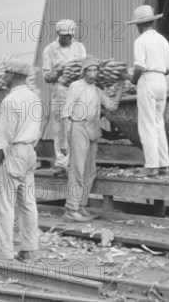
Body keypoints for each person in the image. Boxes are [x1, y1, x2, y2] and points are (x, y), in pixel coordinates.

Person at [0, 58, 43, 261]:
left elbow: (3, 138)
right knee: (28, 203)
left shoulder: (10, 101)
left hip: (15, 152)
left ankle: (3, 252)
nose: (3, 77)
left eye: (4, 74)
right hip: (29, 152)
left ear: (11, 75)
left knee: (6, 205)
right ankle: (29, 249)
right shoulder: (34, 97)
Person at [61, 55, 124, 222]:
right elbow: (66, 113)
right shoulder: (75, 86)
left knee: (90, 171)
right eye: (90, 70)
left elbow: (112, 106)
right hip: (78, 127)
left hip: (92, 129)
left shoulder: (97, 90)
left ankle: (81, 206)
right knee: (77, 169)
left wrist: (121, 86)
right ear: (83, 72)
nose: (93, 73)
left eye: (95, 70)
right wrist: (64, 140)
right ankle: (70, 209)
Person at [121, 5, 169, 178]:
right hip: (161, 80)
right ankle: (164, 164)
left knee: (147, 124)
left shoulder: (141, 41)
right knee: (158, 123)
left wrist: (131, 79)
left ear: (138, 25)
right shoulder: (162, 40)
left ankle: (151, 166)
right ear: (152, 21)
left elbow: (139, 68)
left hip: (148, 80)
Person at [42, 19, 87, 176]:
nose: (69, 38)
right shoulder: (50, 49)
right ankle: (61, 162)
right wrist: (58, 73)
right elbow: (47, 76)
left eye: (70, 36)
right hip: (60, 91)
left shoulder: (79, 47)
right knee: (60, 128)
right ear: (58, 34)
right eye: (65, 36)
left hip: (77, 90)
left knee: (77, 126)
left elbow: (85, 68)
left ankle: (77, 161)